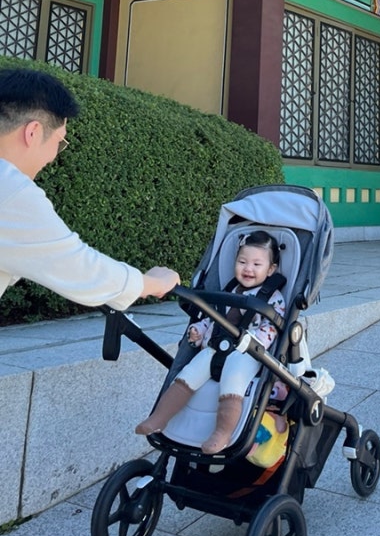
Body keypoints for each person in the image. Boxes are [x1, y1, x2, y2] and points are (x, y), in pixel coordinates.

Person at [0, 66, 180, 309]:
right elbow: (79, 268)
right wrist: (155, 283)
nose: (53, 157)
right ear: (33, 132)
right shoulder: (10, 188)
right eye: (60, 141)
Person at [135, 230, 286, 454]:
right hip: (216, 346)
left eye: (257, 264)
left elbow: (271, 328)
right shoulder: (229, 289)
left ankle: (222, 433)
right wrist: (198, 330)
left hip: (246, 353)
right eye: (242, 262)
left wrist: (254, 342)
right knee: (187, 375)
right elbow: (213, 317)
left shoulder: (273, 298)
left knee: (233, 381)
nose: (248, 268)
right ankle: (159, 418)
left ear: (271, 269)